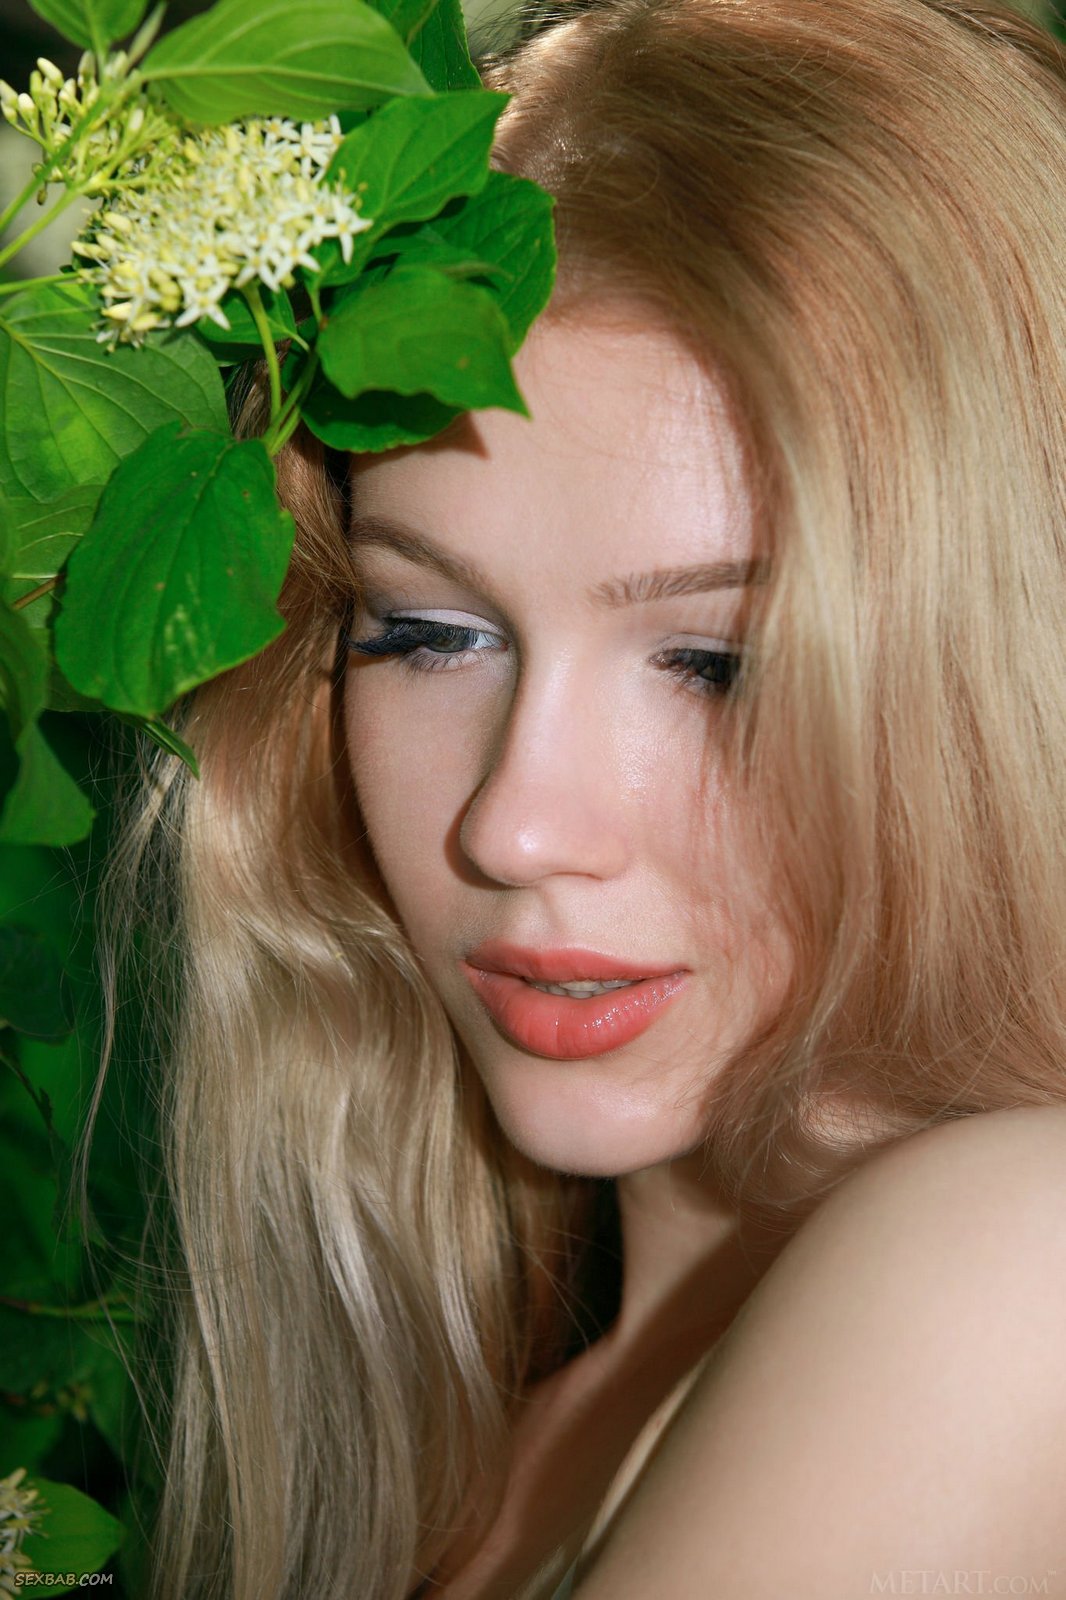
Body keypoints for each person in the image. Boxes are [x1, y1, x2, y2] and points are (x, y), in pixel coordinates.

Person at [118, 1, 1066, 1596]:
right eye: (427, 634)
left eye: (717, 664)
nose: (515, 826)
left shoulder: (1018, 1266)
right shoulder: (491, 1461)